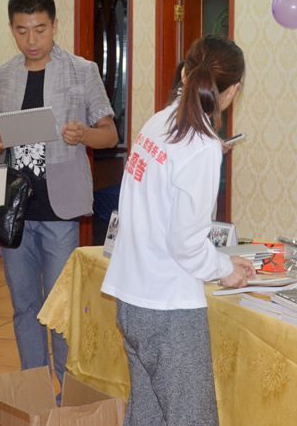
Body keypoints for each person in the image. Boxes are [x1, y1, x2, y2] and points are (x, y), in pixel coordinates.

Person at [101, 35, 255, 426]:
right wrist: (226, 269)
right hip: (168, 306)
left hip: (133, 296)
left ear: (185, 72)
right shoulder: (201, 144)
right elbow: (186, 243)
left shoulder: (160, 121)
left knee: (148, 415)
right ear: (233, 90)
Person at [0, 0, 118, 383]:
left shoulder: (81, 71)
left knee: (61, 307)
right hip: (13, 210)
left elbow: (109, 134)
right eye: (22, 30)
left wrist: (84, 135)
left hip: (60, 208)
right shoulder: (1, 76)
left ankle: (68, 394)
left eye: (40, 29)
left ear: (55, 25)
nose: (32, 40)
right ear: (11, 28)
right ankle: (35, 388)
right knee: (24, 306)